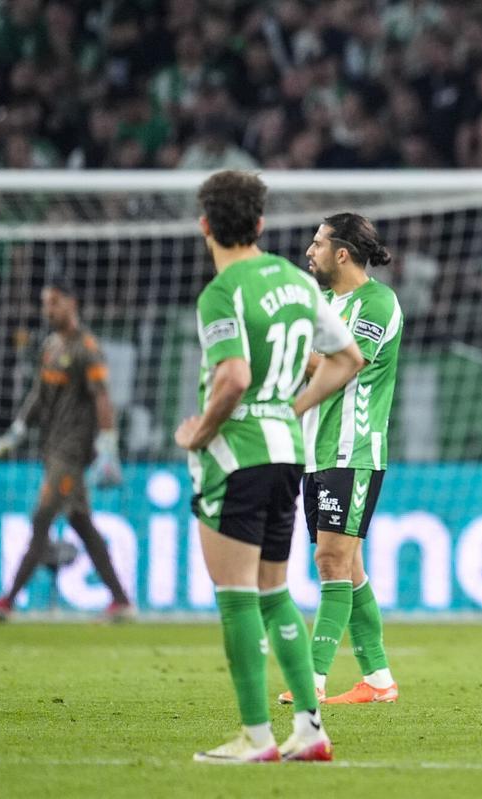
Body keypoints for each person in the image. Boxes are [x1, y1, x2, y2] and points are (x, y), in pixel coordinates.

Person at [175, 171, 364, 763]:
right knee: (275, 592)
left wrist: (197, 434)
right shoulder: (294, 280)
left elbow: (231, 378)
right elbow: (348, 358)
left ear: (205, 225)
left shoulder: (221, 292)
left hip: (238, 456)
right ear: (259, 224)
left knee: (234, 596)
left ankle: (256, 736)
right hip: (289, 453)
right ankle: (309, 730)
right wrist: (290, 408)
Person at [278, 212, 402, 707]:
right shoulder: (325, 304)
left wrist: (295, 399)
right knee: (348, 567)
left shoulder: (378, 303)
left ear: (342, 252)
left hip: (354, 448)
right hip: (318, 449)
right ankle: (378, 679)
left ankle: (314, 677)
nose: (310, 252)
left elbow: (345, 367)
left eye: (317, 243)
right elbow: (313, 362)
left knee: (330, 559)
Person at [0, 275, 133, 622]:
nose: (48, 309)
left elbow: (102, 397)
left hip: (72, 453)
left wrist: (107, 445)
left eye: (54, 302)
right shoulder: (51, 346)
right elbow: (38, 395)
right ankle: (121, 599)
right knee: (82, 524)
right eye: (45, 302)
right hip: (52, 448)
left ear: (71, 303)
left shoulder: (86, 348)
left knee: (41, 518)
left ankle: (8, 600)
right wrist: (14, 434)